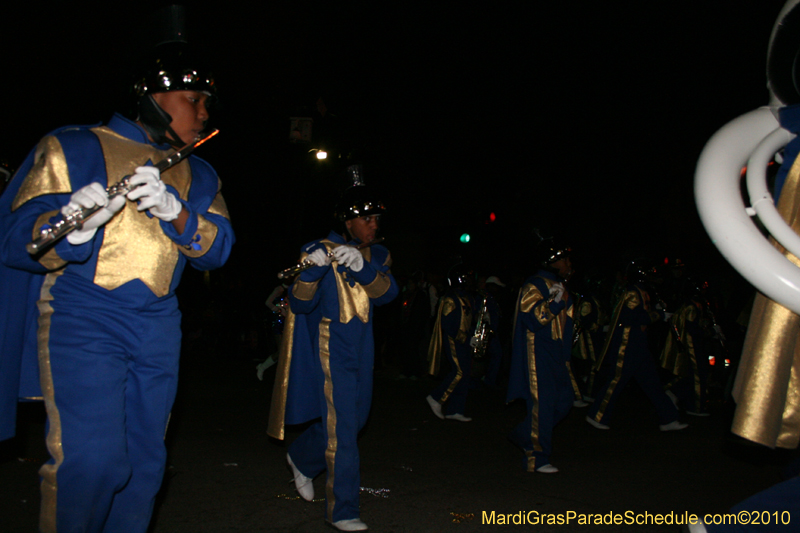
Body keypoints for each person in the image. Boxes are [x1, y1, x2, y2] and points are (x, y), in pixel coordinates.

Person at [0, 41, 234, 533]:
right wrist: (71, 226)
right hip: (81, 315)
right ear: (150, 95)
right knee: (92, 463)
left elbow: (218, 249)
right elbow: (13, 237)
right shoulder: (74, 145)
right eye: (194, 98)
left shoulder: (201, 170)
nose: (203, 110)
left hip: (159, 324)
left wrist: (178, 213)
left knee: (144, 469)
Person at [267, 168, 398, 532]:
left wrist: (362, 268)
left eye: (376, 218)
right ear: (347, 221)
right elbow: (300, 303)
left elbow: (388, 294)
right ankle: (343, 510)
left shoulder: (377, 254)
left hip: (363, 350)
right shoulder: (317, 249)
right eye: (366, 218)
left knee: (354, 422)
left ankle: (303, 458)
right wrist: (311, 272)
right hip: (330, 351)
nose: (373, 224)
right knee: (342, 430)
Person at [585, 260, 687, 432]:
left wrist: (655, 308)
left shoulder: (641, 292)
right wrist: (659, 315)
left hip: (638, 344)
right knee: (616, 381)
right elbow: (631, 318)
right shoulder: (633, 293)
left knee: (652, 383)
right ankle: (597, 415)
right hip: (627, 345)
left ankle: (668, 418)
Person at [506, 239, 576, 474]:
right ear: (553, 261)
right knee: (542, 404)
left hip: (556, 353)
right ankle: (536, 457)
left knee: (564, 400)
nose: (568, 263)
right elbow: (533, 320)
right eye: (564, 259)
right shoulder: (534, 284)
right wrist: (554, 303)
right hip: (538, 351)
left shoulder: (559, 284)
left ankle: (525, 433)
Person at [426, 264, 477, 422]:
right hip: (455, 340)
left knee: (465, 373)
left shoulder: (466, 297)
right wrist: (465, 338)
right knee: (459, 371)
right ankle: (436, 397)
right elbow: (448, 324)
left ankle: (456, 409)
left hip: (465, 340)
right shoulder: (451, 298)